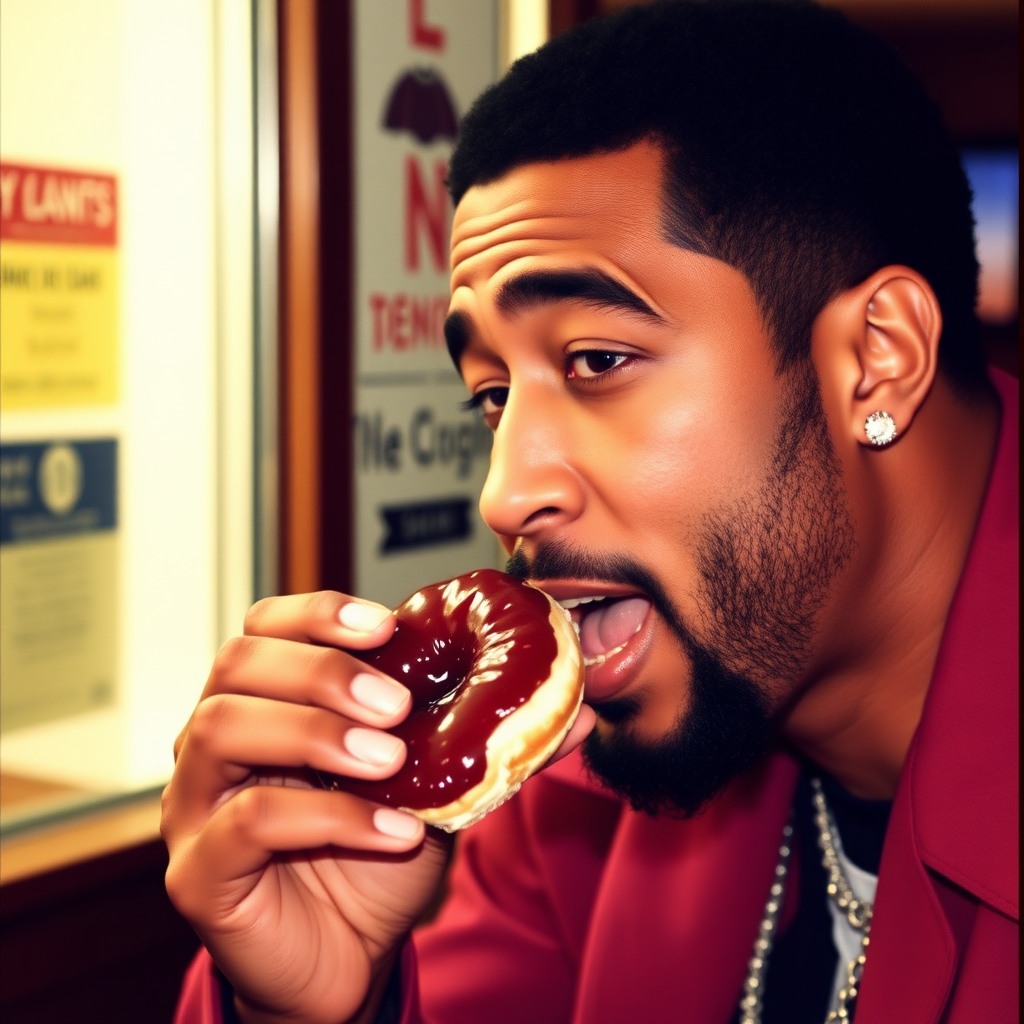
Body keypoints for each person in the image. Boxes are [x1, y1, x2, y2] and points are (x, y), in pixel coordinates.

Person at [164, 2, 1018, 1022]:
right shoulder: (578, 797)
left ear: (876, 358)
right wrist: (309, 1009)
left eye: (597, 361)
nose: (504, 491)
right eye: (491, 396)